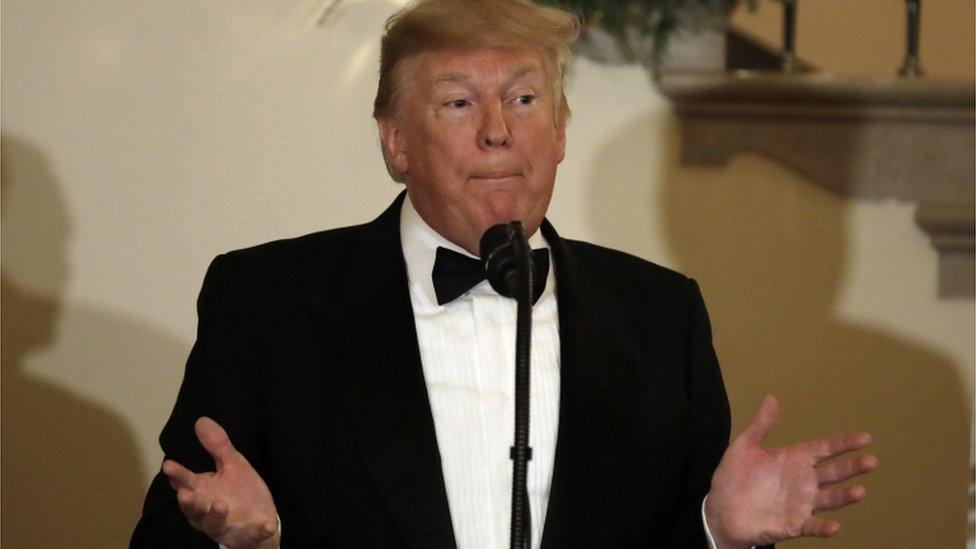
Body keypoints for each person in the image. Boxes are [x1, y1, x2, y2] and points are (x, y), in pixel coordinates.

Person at [130, 0, 876, 547]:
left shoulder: (661, 315)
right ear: (396, 142)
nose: (498, 130)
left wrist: (717, 530)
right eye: (459, 102)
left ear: (558, 132)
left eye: (523, 99)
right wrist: (238, 546)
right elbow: (172, 532)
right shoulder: (268, 302)